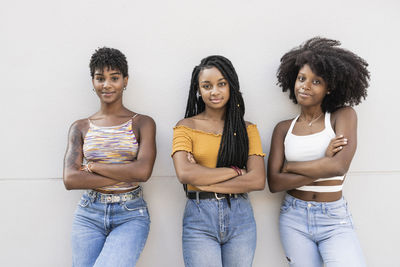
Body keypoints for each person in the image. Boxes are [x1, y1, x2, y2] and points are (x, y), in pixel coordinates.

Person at [267, 37, 370, 267]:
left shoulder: (341, 116)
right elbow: (274, 182)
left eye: (316, 81)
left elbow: (339, 166)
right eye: (302, 78)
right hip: (294, 217)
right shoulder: (284, 128)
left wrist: (291, 167)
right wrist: (323, 163)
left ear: (329, 88)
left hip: (334, 219)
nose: (305, 85)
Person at [63, 47, 156, 266]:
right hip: (88, 214)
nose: (107, 85)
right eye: (100, 78)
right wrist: (127, 172)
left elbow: (143, 172)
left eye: (114, 78)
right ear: (92, 81)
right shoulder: (80, 127)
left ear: (125, 80)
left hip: (130, 213)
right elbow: (71, 180)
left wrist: (94, 167)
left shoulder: (142, 123)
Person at [171, 55, 266, 267]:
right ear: (199, 90)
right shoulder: (186, 126)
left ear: (231, 85)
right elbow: (185, 174)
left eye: (221, 84)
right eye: (207, 86)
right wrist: (236, 171)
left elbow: (258, 180)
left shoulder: (247, 129)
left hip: (241, 218)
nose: (214, 91)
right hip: (199, 217)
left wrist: (202, 178)